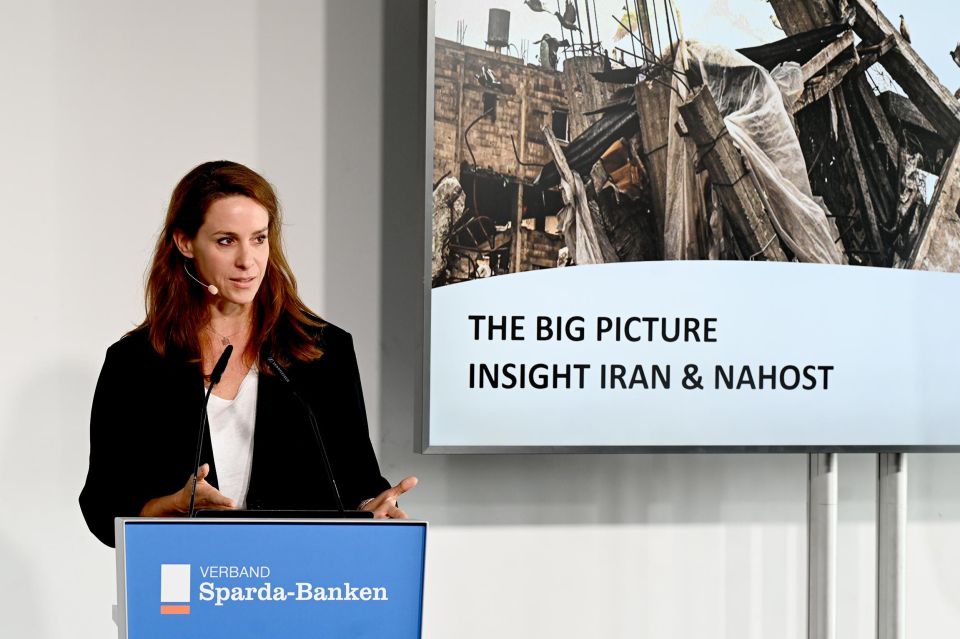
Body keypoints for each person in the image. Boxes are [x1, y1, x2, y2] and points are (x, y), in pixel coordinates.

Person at [79, 160, 416, 547]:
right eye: (226, 241)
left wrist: (372, 507)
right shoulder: (135, 363)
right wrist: (164, 508)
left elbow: (358, 480)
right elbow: (101, 505)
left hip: (298, 573)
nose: (248, 260)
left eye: (258, 239)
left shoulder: (324, 352)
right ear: (185, 242)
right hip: (189, 572)